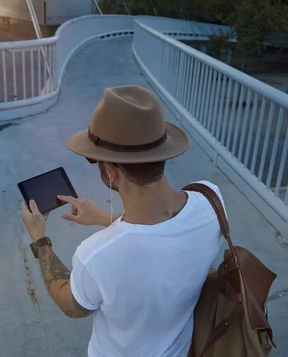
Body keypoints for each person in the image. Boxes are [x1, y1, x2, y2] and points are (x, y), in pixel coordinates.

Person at [21, 85, 224, 356]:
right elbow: (164, 232)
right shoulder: (210, 199)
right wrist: (104, 218)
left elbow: (69, 303)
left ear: (110, 169)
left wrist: (39, 239)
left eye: (93, 160)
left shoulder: (97, 256)